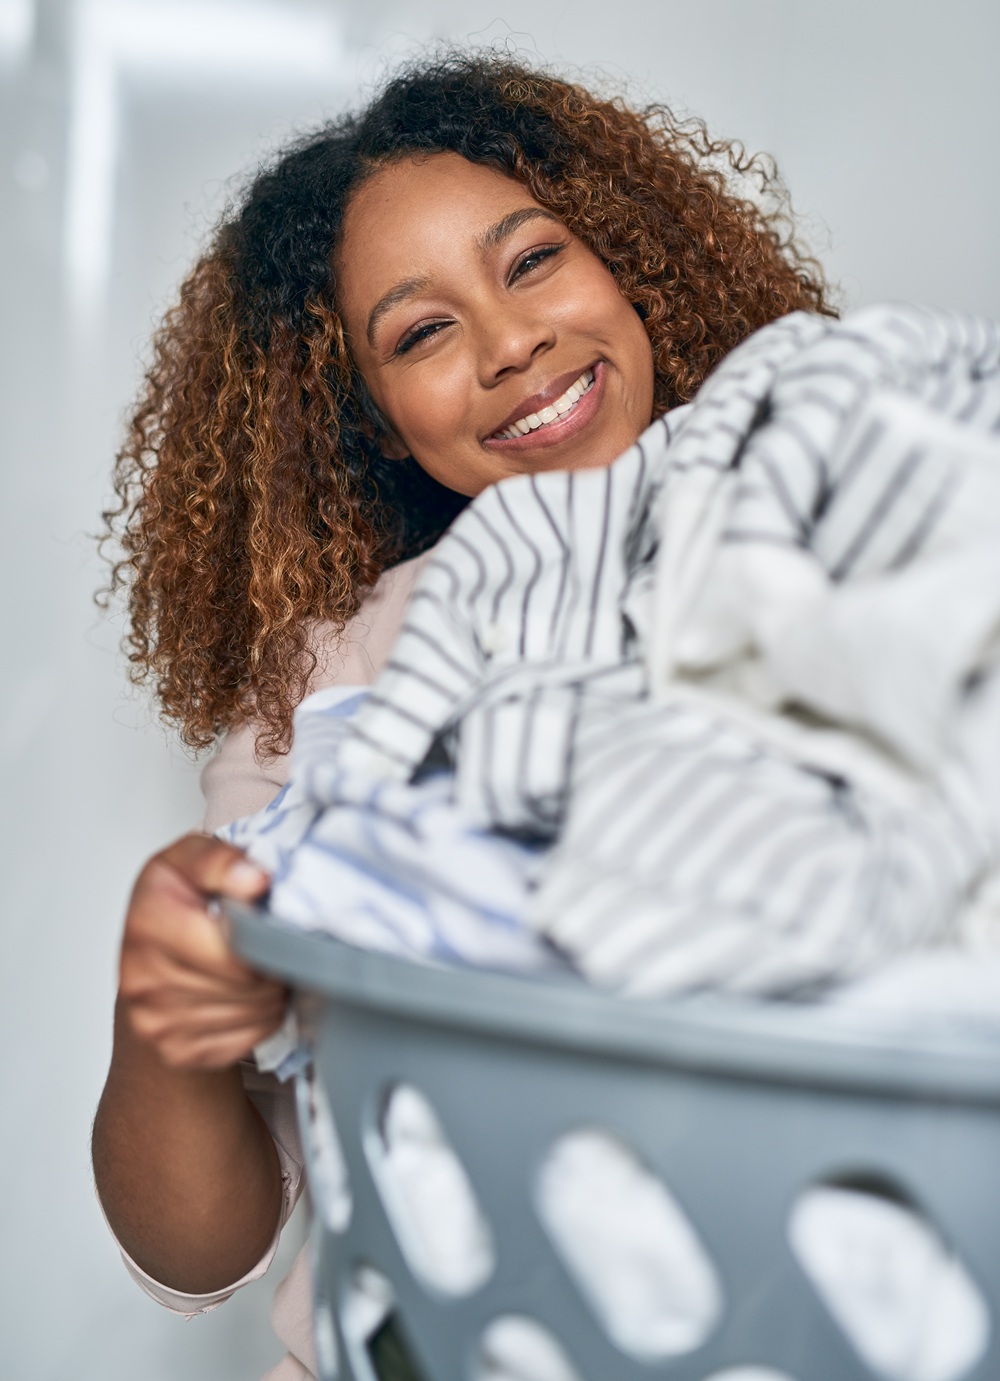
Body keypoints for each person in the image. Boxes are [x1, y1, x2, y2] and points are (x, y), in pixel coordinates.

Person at [92, 50, 834, 1380]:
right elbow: (203, 1255)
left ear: (630, 263)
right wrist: (163, 1028)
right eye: (420, 333)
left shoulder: (881, 552)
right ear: (373, 422)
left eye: (534, 261)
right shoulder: (325, 682)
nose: (509, 344)